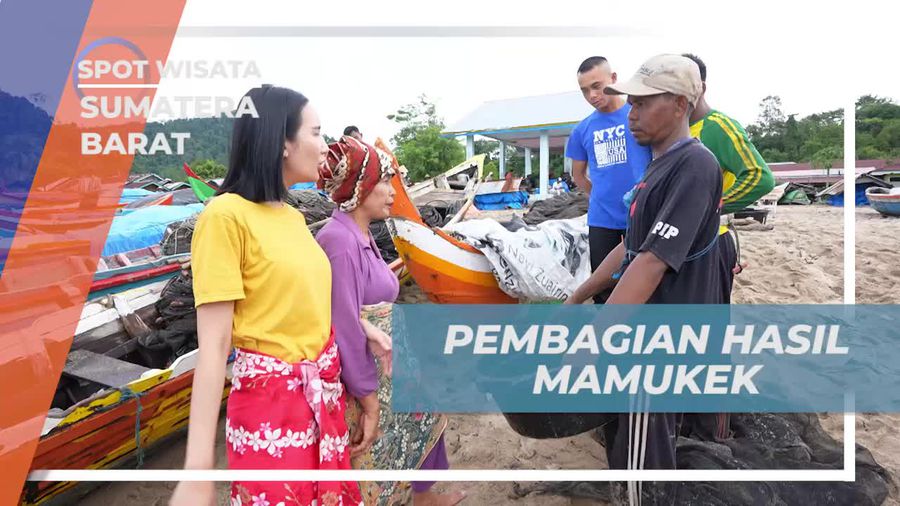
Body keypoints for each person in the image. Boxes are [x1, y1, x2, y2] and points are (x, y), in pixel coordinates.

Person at [170, 85, 362, 506]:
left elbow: (299, 299)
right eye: (316, 132)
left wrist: (366, 329)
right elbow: (215, 347)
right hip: (270, 417)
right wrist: (198, 472)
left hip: (322, 403)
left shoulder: (291, 216)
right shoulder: (224, 217)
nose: (325, 145)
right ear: (283, 144)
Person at [566, 54, 725, 471]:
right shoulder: (657, 166)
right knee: (639, 439)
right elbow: (630, 247)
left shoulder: (695, 164)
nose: (631, 114)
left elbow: (652, 262)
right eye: (631, 103)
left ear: (678, 104)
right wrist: (579, 295)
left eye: (642, 103)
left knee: (647, 454)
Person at [316, 136, 466, 506]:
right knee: (377, 446)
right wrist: (367, 395)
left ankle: (424, 496)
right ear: (359, 188)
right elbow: (345, 324)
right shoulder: (339, 242)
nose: (391, 191)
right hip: (368, 371)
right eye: (384, 182)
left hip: (390, 359)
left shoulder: (361, 234)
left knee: (425, 417)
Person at [680, 53, 775, 442]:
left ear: (700, 86)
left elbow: (759, 177)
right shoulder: (669, 129)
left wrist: (711, 206)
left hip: (710, 247)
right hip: (677, 250)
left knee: (710, 340)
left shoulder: (717, 127)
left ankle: (715, 432)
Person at [566, 56, 653, 303]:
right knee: (603, 285)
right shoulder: (581, 130)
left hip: (641, 214)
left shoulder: (640, 117)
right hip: (602, 219)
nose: (592, 95)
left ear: (614, 79)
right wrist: (600, 196)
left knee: (644, 280)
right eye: (584, 90)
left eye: (596, 86)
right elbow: (578, 176)